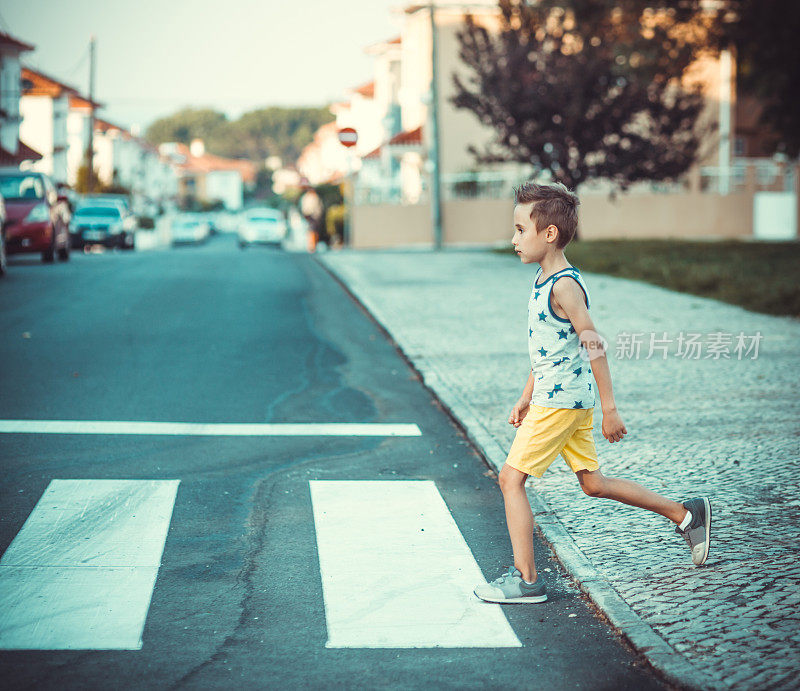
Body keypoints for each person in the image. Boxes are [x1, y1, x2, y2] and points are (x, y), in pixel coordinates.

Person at [473, 182, 711, 605]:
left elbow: (593, 344)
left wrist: (611, 409)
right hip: (557, 398)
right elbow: (549, 349)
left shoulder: (564, 286)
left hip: (561, 404)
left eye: (519, 229)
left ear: (548, 234)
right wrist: (526, 393)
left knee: (510, 479)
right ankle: (686, 513)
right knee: (594, 484)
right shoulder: (543, 277)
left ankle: (526, 580)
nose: (512, 239)